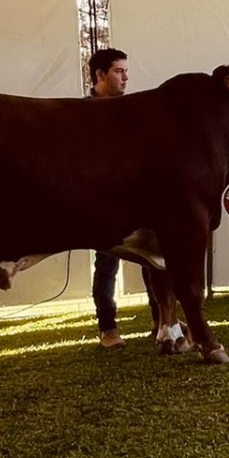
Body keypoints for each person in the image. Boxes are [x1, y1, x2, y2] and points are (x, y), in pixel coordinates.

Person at [86, 48, 130, 347]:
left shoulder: (133, 109)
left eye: (125, 71)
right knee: (107, 264)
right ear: (100, 74)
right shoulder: (83, 112)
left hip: (135, 196)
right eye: (118, 71)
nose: (125, 77)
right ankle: (108, 328)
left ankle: (163, 320)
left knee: (153, 263)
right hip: (103, 201)